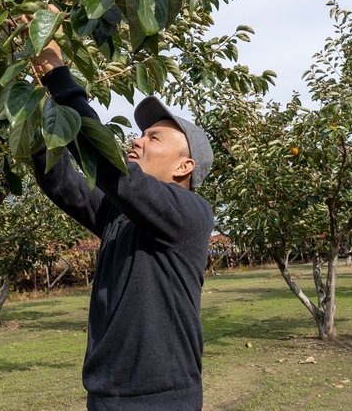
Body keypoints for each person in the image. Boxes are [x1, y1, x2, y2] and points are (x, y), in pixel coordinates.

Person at [30, 34, 215, 411]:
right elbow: (62, 183)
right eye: (140, 134)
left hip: (160, 400)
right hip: (105, 395)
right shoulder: (121, 214)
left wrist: (58, 75)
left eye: (153, 137)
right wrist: (35, 107)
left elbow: (111, 170)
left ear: (185, 166)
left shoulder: (191, 214)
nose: (136, 141)